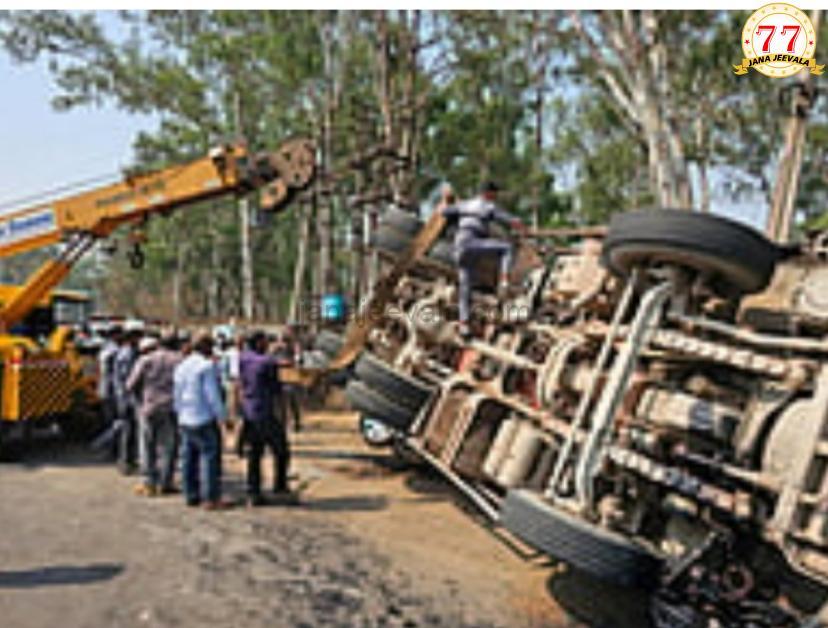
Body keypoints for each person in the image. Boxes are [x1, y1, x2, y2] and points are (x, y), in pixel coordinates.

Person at [441, 181, 526, 338]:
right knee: (506, 248)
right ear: (488, 193)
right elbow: (510, 220)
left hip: (459, 247)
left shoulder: (464, 205)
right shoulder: (487, 206)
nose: (496, 197)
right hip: (472, 241)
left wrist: (446, 200)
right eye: (494, 194)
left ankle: (464, 324)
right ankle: (504, 280)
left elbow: (445, 212)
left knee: (465, 287)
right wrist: (521, 226)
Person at [238, 330, 295, 506]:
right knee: (281, 450)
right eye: (265, 342)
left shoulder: (243, 358)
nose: (268, 345)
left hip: (249, 411)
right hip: (265, 412)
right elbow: (276, 388)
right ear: (259, 343)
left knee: (254, 454)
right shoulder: (267, 362)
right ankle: (280, 485)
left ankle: (253, 492)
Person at [127, 333, 181, 496]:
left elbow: (130, 384)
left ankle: (148, 483)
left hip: (149, 407)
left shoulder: (146, 360)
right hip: (171, 408)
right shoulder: (180, 360)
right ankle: (166, 482)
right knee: (169, 447)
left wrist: (141, 398)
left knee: (147, 445)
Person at [113, 327, 142, 474]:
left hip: (125, 397)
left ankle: (128, 460)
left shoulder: (127, 352)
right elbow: (127, 379)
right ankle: (125, 462)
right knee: (128, 431)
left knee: (129, 430)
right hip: (127, 398)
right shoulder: (128, 354)